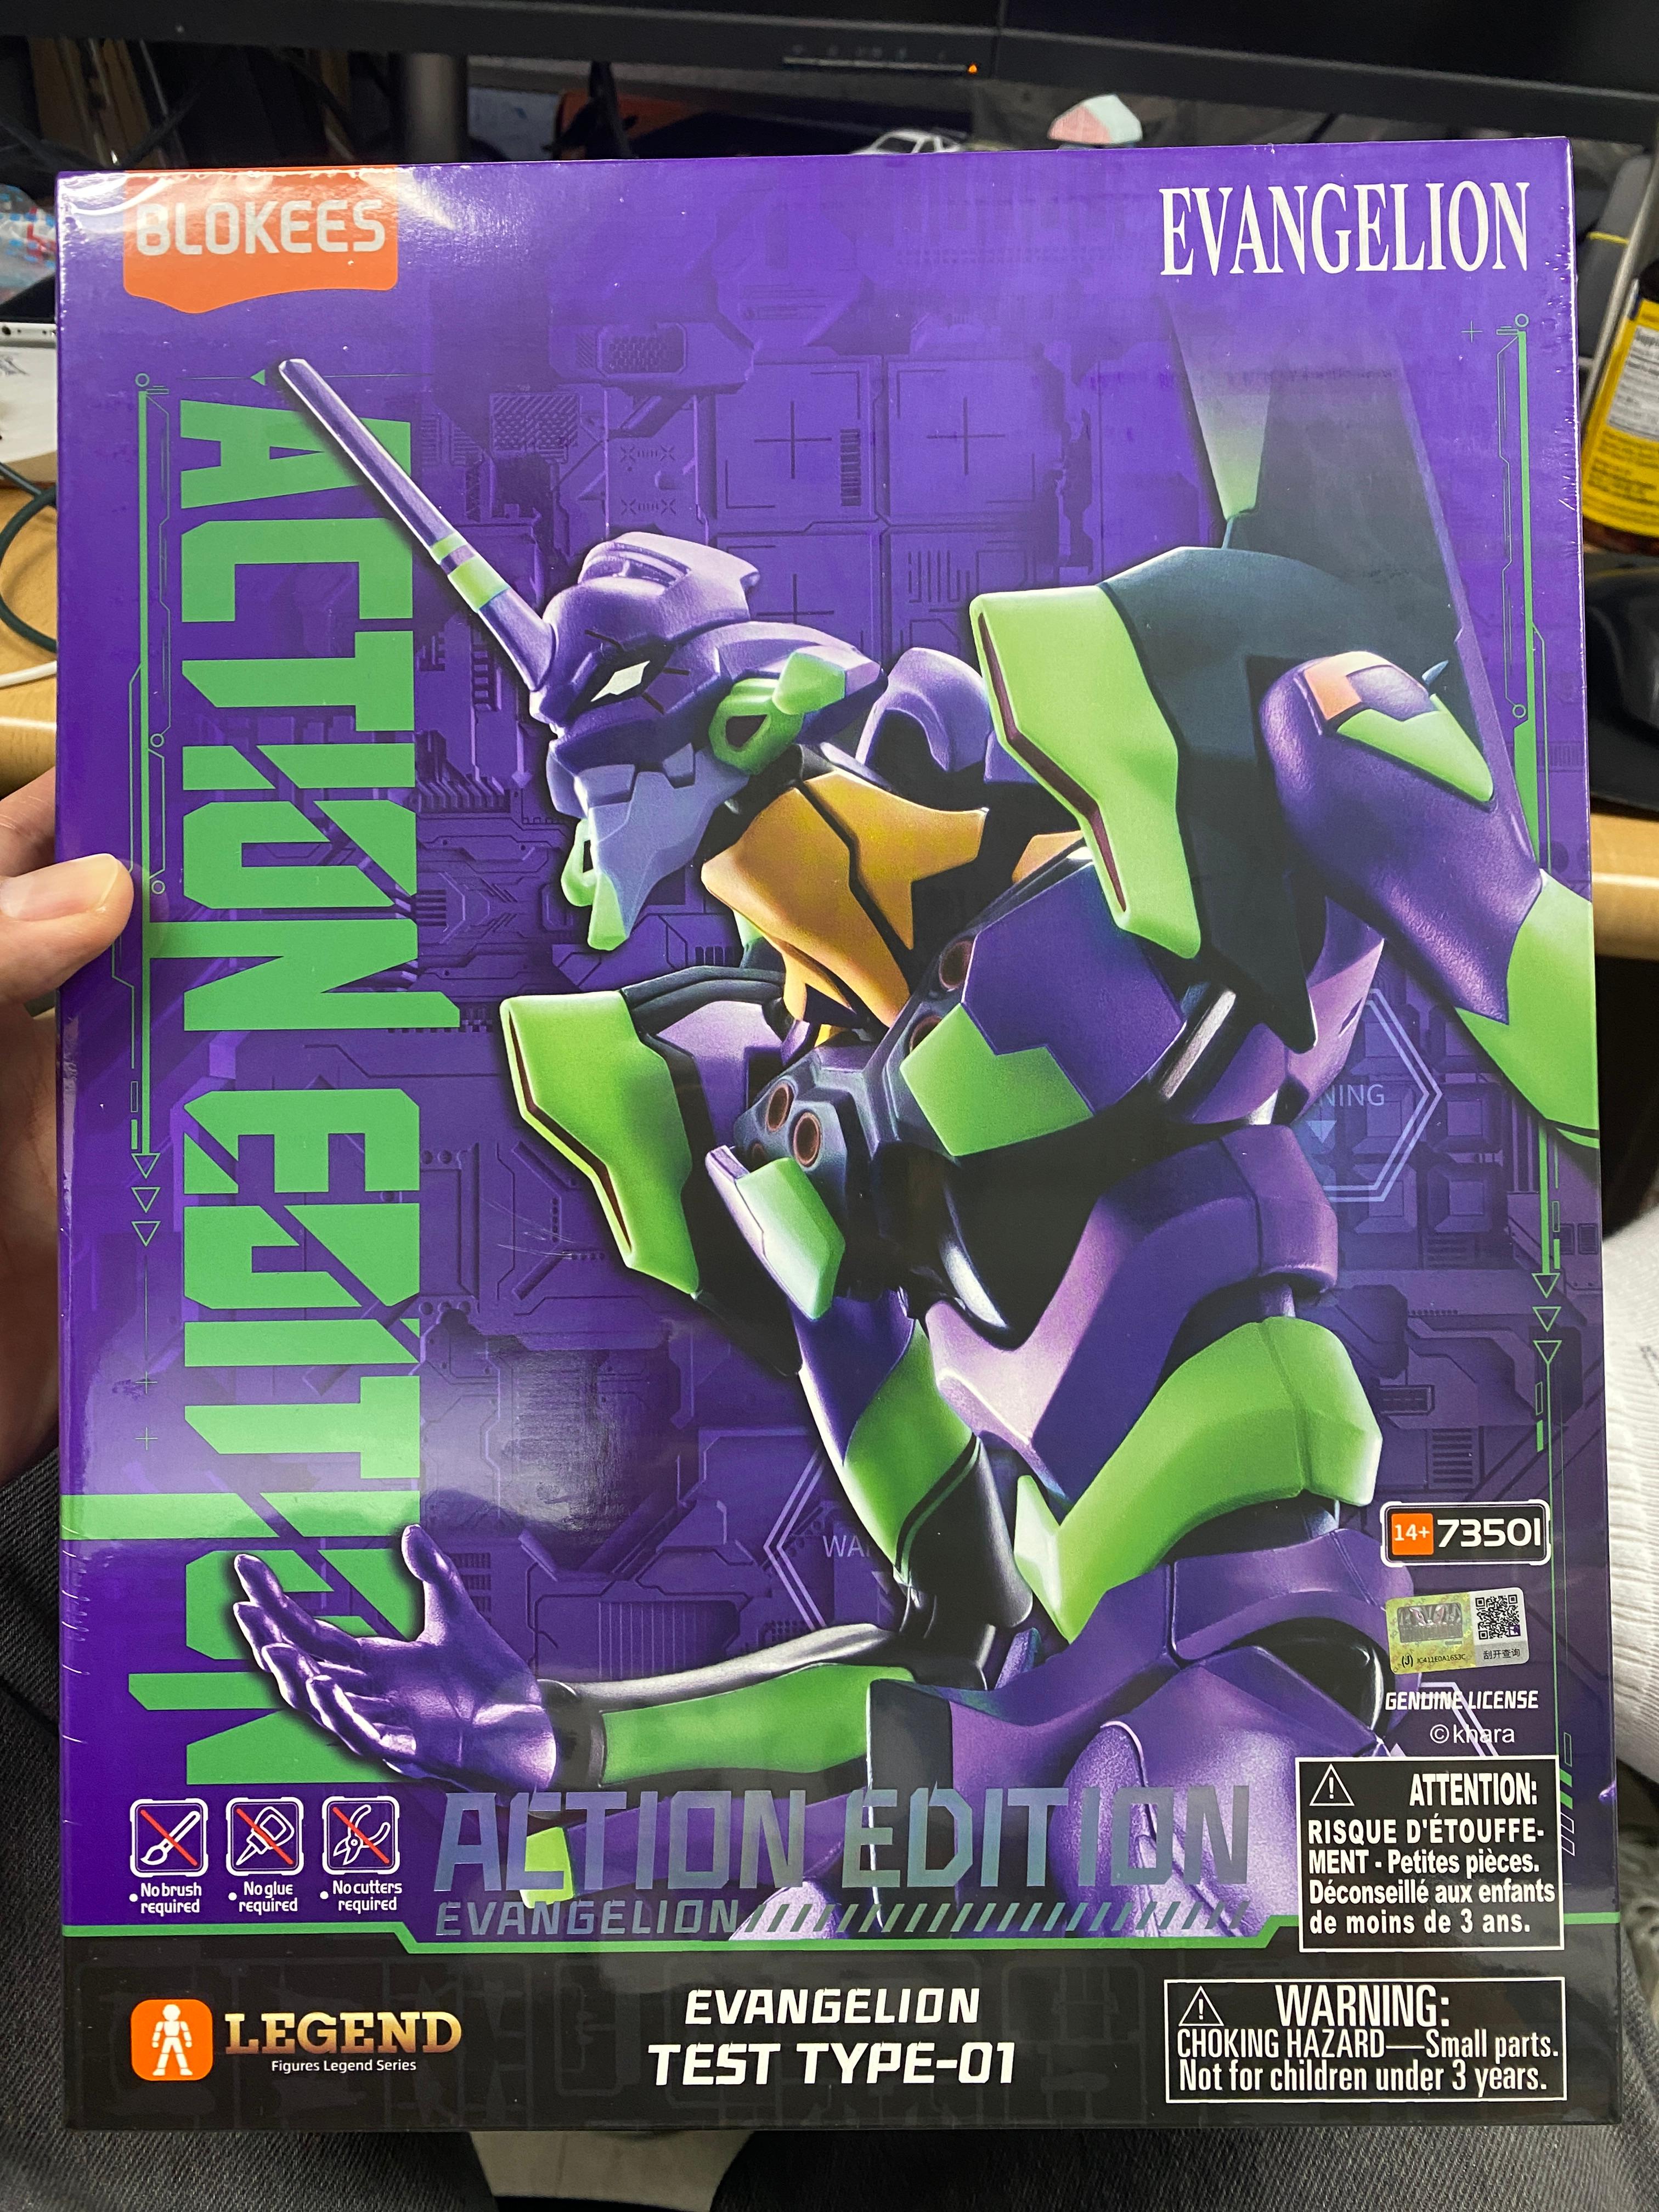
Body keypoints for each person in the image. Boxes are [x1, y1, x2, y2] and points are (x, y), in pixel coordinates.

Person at [2, 761, 1656, 2207]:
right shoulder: (839, 1230)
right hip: (1112, 1716)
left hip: (1254, 1689)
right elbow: (954, 1671)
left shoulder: (1128, 971)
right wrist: (573, 1738)